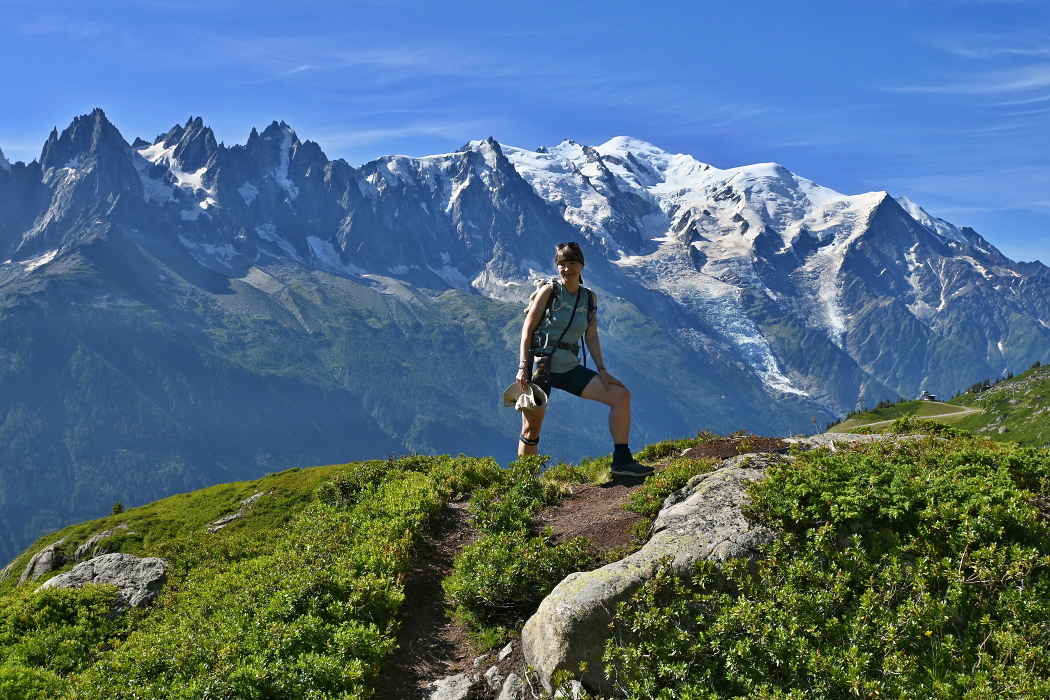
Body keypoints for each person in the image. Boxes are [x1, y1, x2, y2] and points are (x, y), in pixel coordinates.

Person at [515, 242, 654, 477]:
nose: (567, 269)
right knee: (531, 429)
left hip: (569, 367)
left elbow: (591, 336)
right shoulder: (549, 291)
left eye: (571, 263)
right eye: (562, 264)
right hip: (541, 367)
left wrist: (602, 370)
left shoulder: (589, 298)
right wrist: (523, 367)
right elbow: (527, 330)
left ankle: (621, 462)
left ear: (581, 266)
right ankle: (525, 483)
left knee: (621, 396)